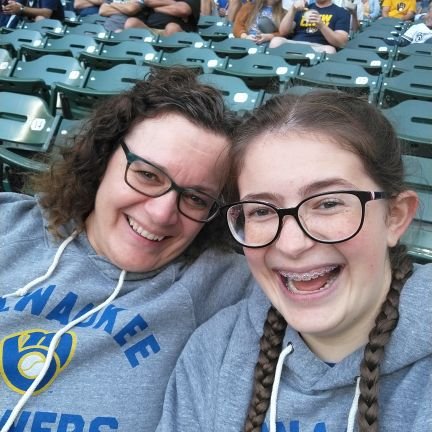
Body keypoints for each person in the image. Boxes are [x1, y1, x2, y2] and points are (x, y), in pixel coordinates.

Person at [156, 90, 432, 432]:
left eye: (328, 203)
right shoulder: (213, 352)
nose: (292, 244)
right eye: (261, 210)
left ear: (395, 216)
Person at [0, 68, 254, 431]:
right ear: (103, 159)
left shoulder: (218, 284)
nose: (162, 213)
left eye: (196, 198)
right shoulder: (9, 226)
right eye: (147, 175)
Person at [269, 0, 350, 53]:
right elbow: (283, 32)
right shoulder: (303, 8)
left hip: (318, 47)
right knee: (276, 41)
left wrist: (321, 26)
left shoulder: (341, 12)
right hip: (296, 43)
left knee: (330, 50)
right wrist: (293, 9)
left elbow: (341, 42)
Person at [123, 0, 200, 35]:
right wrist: (172, 3)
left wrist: (156, 8)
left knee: (171, 27)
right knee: (131, 22)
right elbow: (148, 1)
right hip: (151, 31)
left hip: (179, 32)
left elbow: (183, 10)